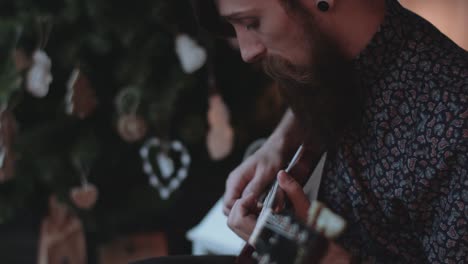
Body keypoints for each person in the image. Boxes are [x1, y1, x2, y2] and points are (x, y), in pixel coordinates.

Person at [137, 0, 467, 263]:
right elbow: (324, 90)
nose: (247, 51)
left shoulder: (453, 133)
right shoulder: (353, 54)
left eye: (252, 23)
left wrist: (323, 257)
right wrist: (279, 143)